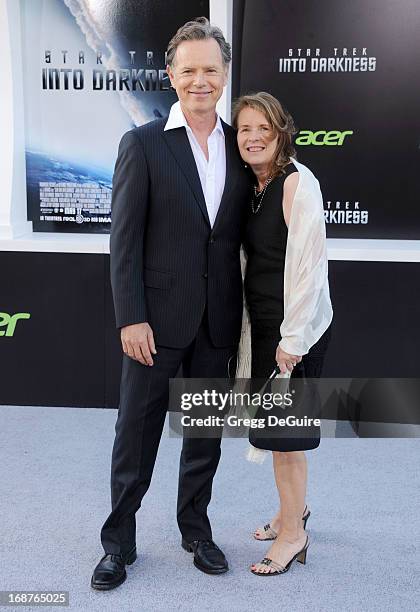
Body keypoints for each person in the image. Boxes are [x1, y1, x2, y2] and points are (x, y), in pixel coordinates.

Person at [91, 17, 250, 590]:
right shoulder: (142, 143)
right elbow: (124, 240)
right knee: (136, 432)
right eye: (190, 70)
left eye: (211, 69)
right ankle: (118, 542)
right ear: (170, 75)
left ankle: (196, 529)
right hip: (153, 323)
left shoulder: (243, 146)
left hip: (218, 322)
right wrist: (130, 315)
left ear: (226, 74)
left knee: (204, 431)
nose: (201, 80)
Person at [232, 92, 333, 575]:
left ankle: (294, 534)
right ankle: (292, 511)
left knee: (285, 438)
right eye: (244, 130)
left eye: (262, 129)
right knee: (278, 435)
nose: (252, 138)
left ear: (281, 132)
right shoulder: (257, 185)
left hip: (296, 333)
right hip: (269, 327)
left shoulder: (297, 184)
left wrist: (292, 341)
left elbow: (309, 270)